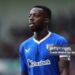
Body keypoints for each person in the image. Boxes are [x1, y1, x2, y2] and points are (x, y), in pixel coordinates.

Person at [19, 5, 70, 75]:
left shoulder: (60, 42)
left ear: (46, 20)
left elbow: (64, 70)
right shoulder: (24, 46)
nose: (31, 18)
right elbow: (23, 72)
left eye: (36, 15)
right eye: (30, 16)